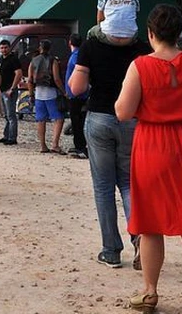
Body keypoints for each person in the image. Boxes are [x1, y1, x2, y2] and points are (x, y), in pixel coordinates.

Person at [115, 4, 182, 314]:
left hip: (152, 146)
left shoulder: (140, 66)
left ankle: (150, 292)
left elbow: (123, 112)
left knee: (150, 225)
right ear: (178, 33)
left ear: (150, 33)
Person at [69, 14, 151, 270]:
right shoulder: (141, 49)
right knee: (129, 183)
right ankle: (139, 237)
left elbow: (77, 88)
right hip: (132, 120)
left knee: (104, 187)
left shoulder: (91, 46)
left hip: (100, 118)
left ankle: (111, 251)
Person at [27, 40, 66, 154]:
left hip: (38, 94)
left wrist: (31, 94)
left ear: (40, 48)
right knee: (59, 118)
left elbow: (30, 80)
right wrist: (64, 91)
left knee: (41, 120)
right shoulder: (53, 60)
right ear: (50, 48)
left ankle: (43, 145)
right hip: (51, 94)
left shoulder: (33, 61)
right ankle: (55, 144)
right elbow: (57, 79)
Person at [65, 34, 88, 159]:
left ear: (70, 43)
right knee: (77, 120)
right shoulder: (78, 55)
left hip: (77, 94)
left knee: (77, 121)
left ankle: (80, 146)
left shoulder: (75, 56)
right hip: (78, 93)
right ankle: (78, 144)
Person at [0, 39, 22, 146]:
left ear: (10, 48)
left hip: (9, 90)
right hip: (2, 90)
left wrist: (12, 88)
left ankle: (12, 138)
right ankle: (6, 135)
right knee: (6, 115)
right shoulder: (1, 59)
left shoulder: (13, 59)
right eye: (2, 48)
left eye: (6, 47)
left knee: (11, 115)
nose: (4, 50)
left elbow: (18, 73)